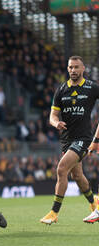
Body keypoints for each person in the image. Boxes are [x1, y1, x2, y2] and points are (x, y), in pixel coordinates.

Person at [40, 56, 99, 225]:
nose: (73, 70)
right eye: (70, 67)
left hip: (83, 138)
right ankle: (93, 204)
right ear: (67, 69)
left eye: (76, 67)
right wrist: (55, 122)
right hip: (66, 139)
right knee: (78, 176)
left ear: (83, 69)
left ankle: (54, 213)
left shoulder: (91, 87)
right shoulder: (61, 90)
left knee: (62, 168)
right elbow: (53, 114)